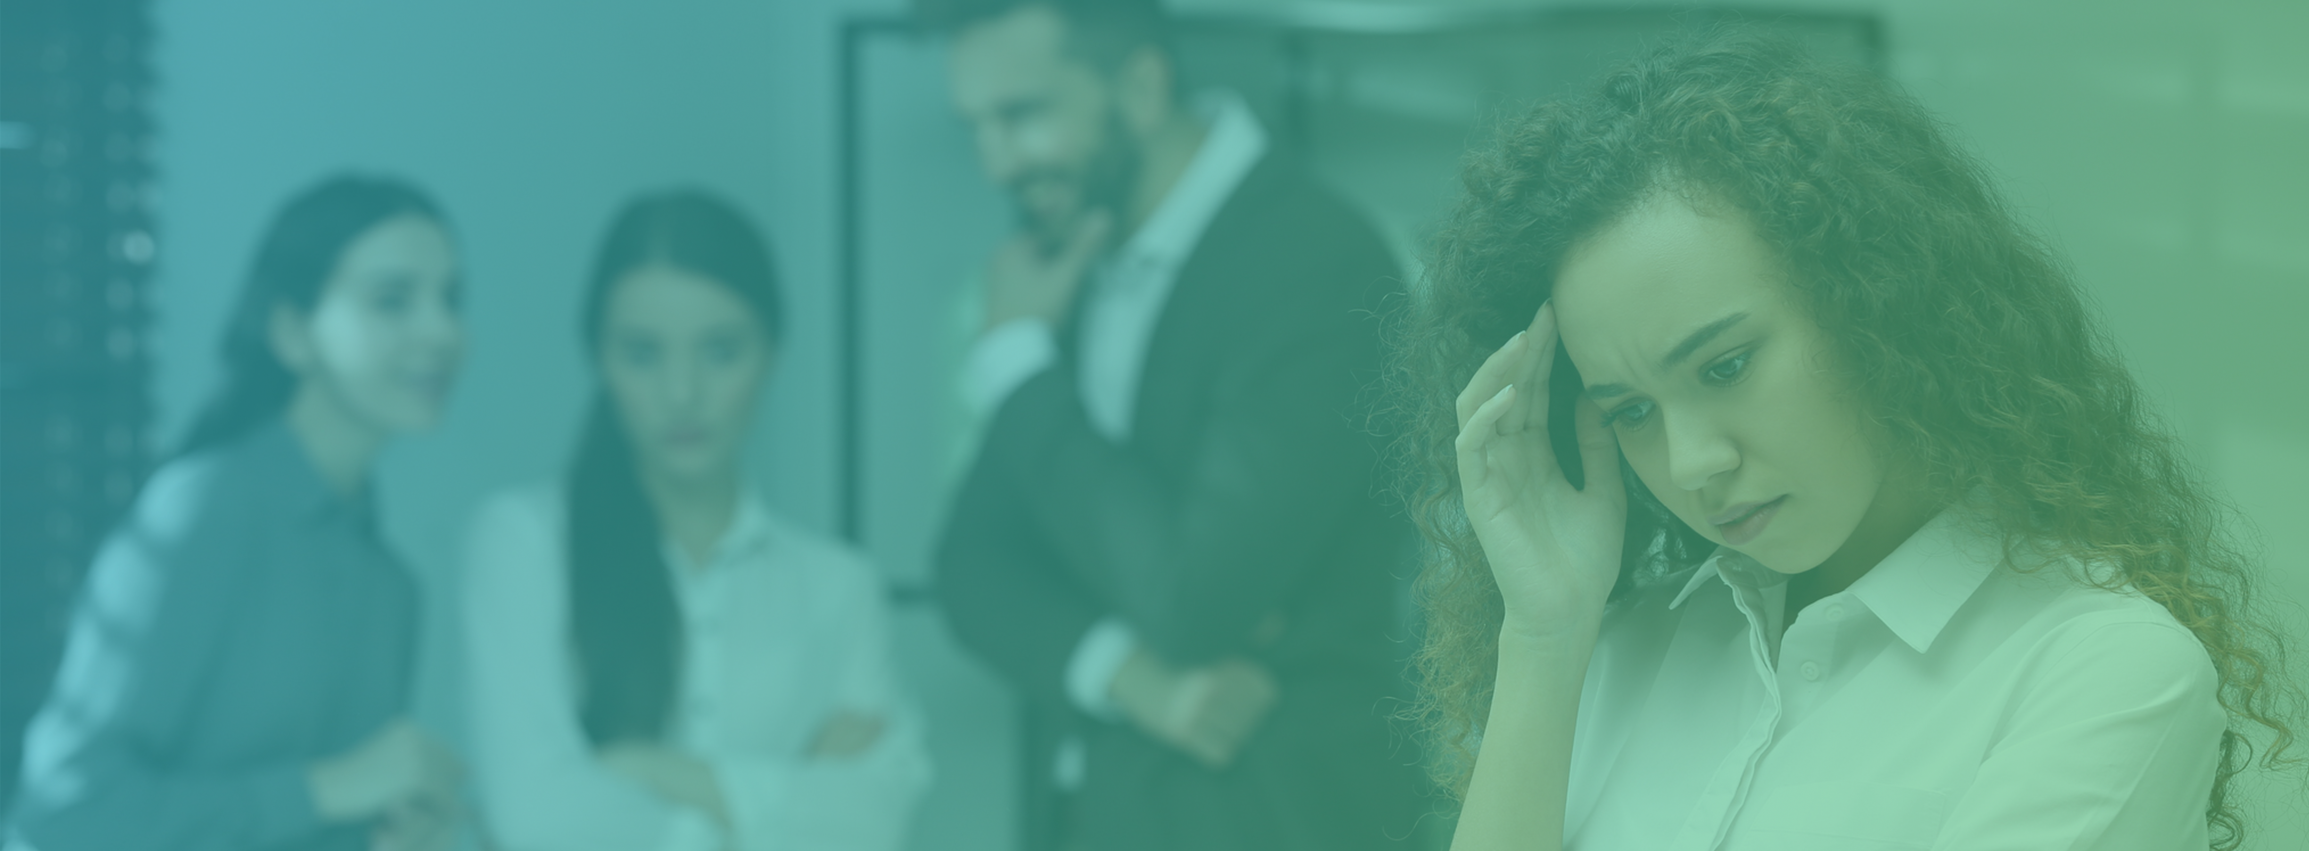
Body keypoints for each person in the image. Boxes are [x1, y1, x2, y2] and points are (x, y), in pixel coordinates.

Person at [1393, 33, 2303, 851]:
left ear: (1876, 308)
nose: (1692, 461)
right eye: (1631, 411)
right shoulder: (1607, 660)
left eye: (1725, 367)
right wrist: (1544, 635)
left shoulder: (2102, 672)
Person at [918, 1, 1425, 849]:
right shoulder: (1070, 264)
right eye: (976, 127)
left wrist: (1017, 362)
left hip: (1282, 819)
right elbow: (972, 568)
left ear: (1142, 87)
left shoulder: (1317, 261)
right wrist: (1129, 673)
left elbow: (1194, 602)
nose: (995, 162)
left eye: (1023, 114)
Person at [5, 175, 467, 851]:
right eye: (394, 300)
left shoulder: (393, 589)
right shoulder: (203, 508)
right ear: (291, 331)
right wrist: (330, 786)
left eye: (452, 299)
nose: (442, 331)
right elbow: (63, 816)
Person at [460, 190, 929, 851]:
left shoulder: (839, 585)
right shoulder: (524, 541)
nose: (682, 392)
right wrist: (783, 803)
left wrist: (646, 770)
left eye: (721, 351)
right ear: (598, 359)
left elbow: (876, 825)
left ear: (774, 354)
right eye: (643, 354)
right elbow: (537, 818)